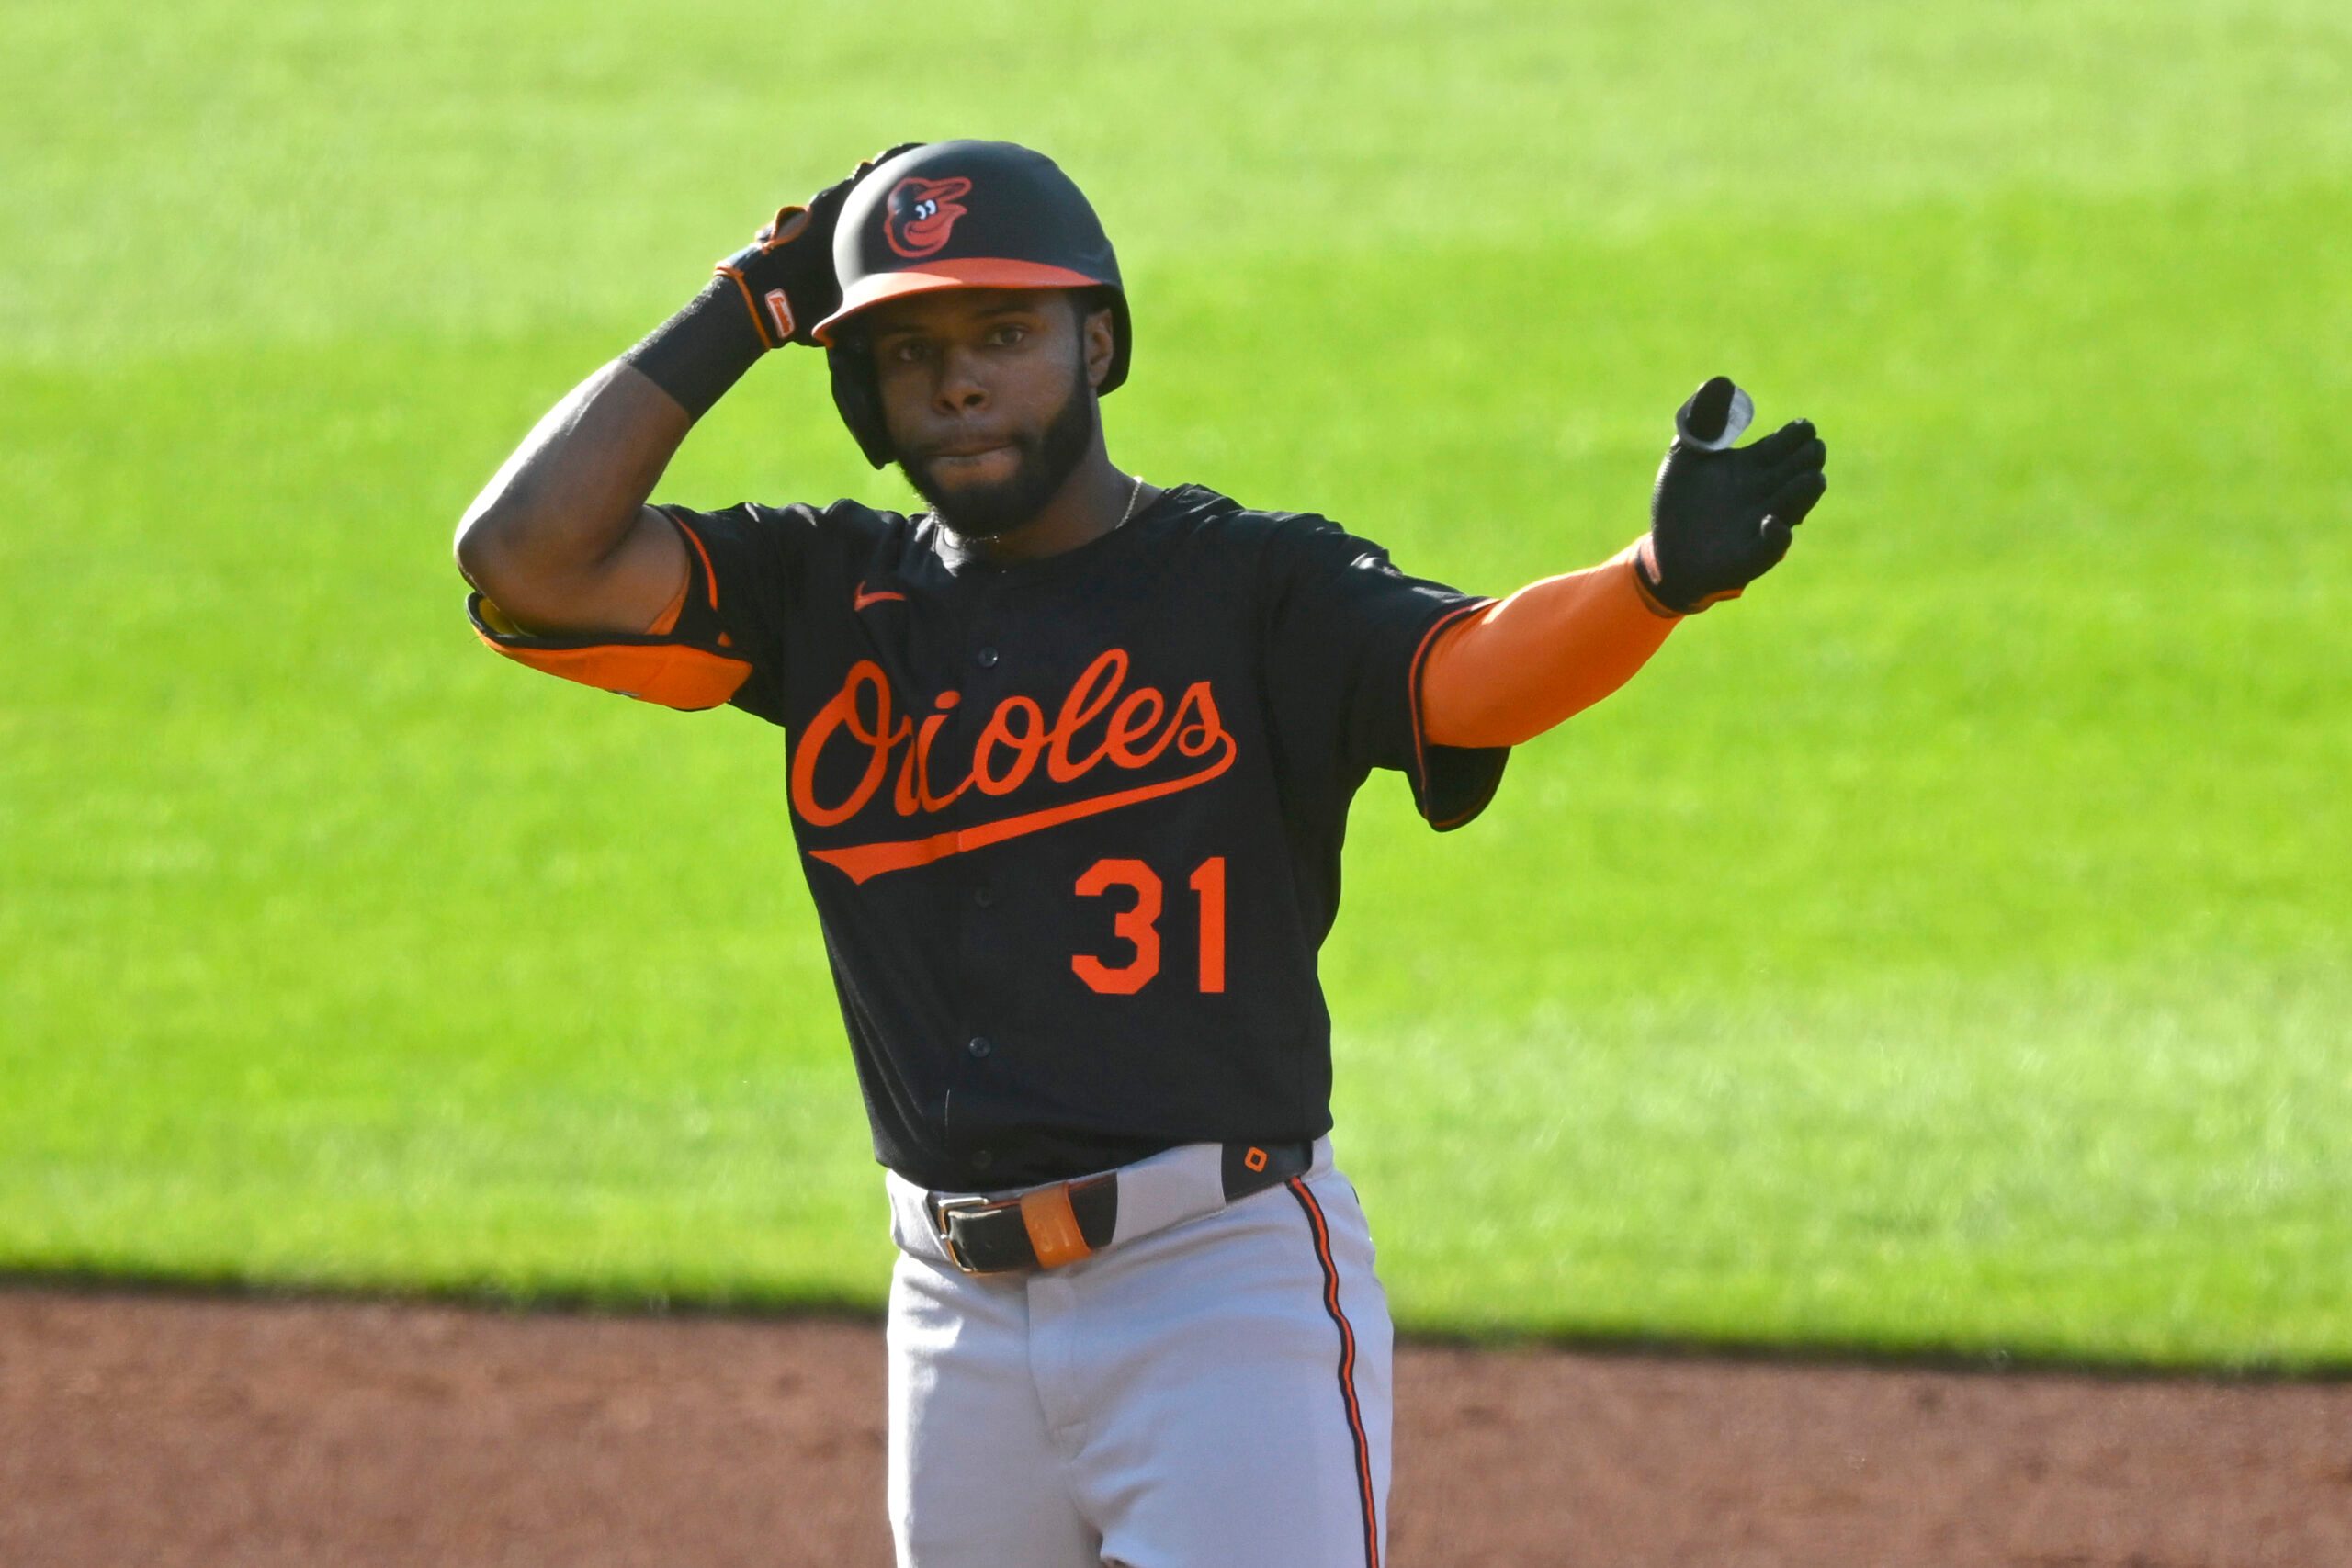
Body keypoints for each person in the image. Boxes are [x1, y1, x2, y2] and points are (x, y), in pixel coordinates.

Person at [451, 140, 1827, 1568]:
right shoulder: (825, 592)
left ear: (1097, 342)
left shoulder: (1246, 584)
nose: (959, 381)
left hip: (1218, 1291)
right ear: (860, 392)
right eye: (909, 350)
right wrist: (749, 300)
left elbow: (1461, 679)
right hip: (952, 1315)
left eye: (1003, 333)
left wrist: (1653, 585)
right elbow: (525, 557)